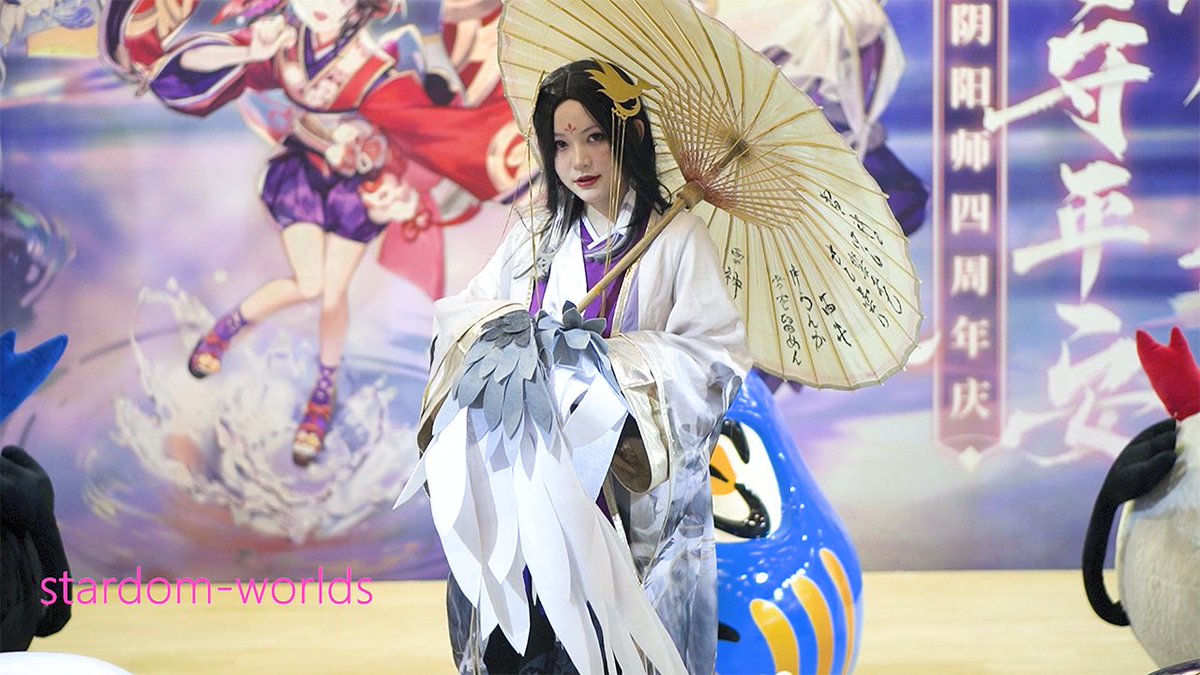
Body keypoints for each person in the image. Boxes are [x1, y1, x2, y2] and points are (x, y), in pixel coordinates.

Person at [413, 59, 750, 674]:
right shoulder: (535, 235)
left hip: (620, 491)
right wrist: (513, 340)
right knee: (518, 643)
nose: (579, 160)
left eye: (595, 137)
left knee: (614, 647)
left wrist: (608, 365)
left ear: (632, 135)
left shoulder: (677, 238)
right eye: (562, 144)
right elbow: (464, 316)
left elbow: (715, 359)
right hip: (527, 482)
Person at [100, 0, 523, 466]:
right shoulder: (284, 42)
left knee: (331, 294)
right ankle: (226, 330)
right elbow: (197, 65)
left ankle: (321, 391)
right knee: (308, 283)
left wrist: (388, 161)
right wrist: (246, 53)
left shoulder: (374, 70)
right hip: (303, 175)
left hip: (354, 192)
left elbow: (432, 130)